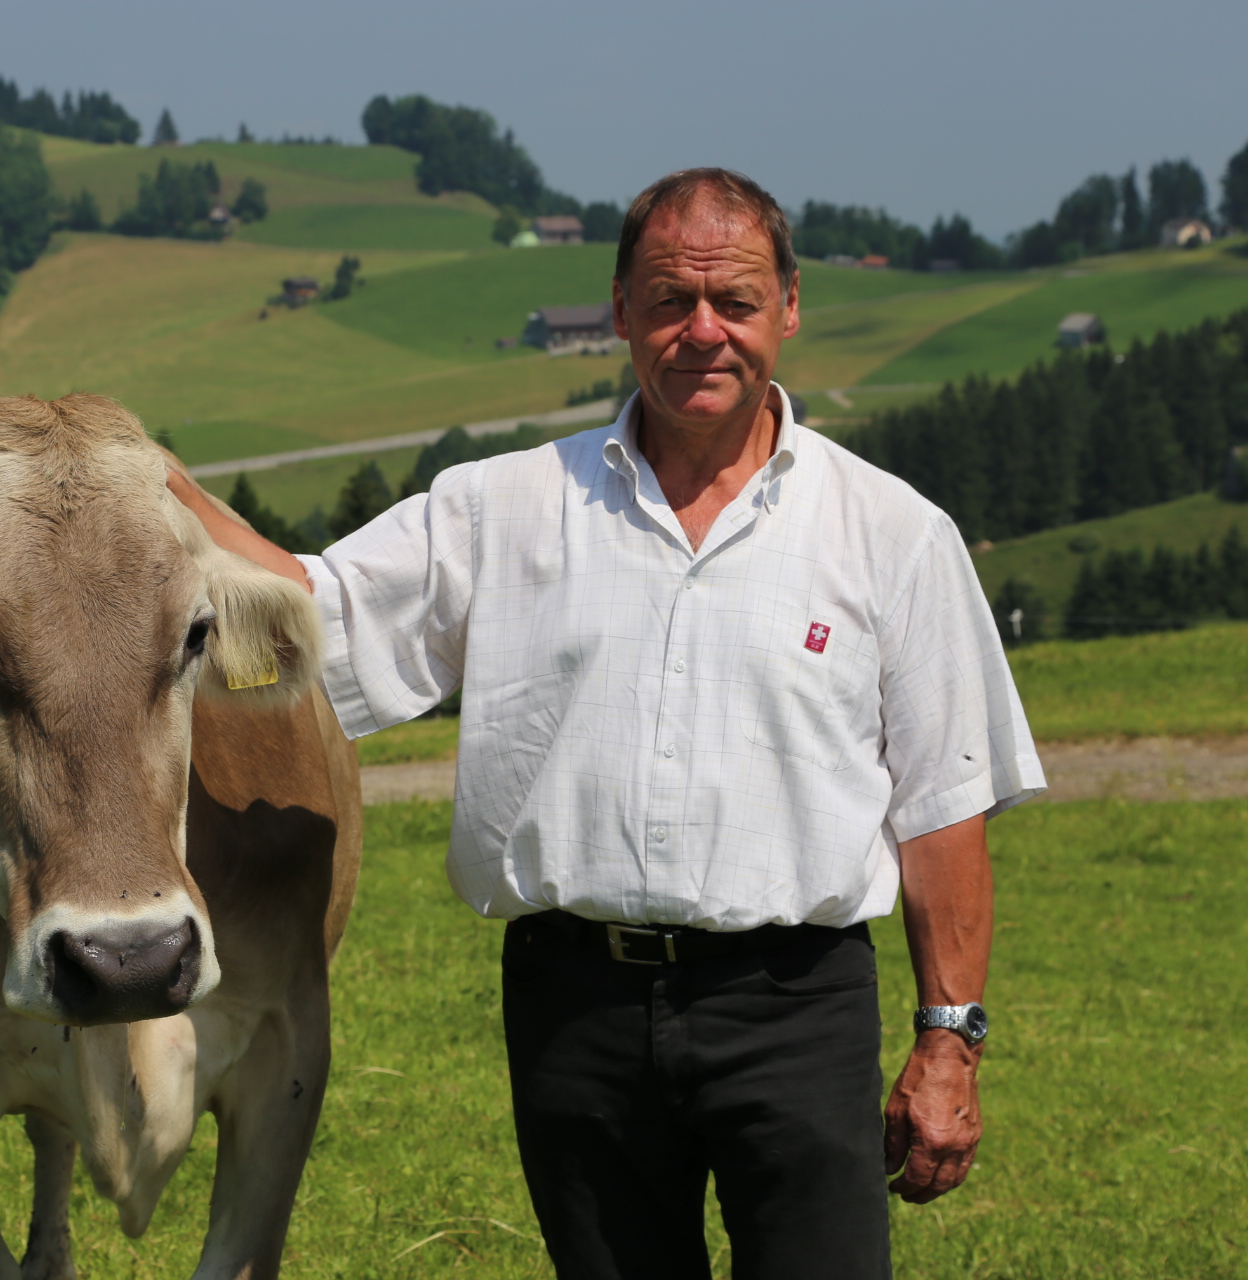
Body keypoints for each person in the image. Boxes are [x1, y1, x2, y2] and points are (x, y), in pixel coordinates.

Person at [166, 167, 1044, 1279]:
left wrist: (949, 1040)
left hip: (795, 1002)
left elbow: (943, 804)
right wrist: (147, 474)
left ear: (790, 307)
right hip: (574, 1003)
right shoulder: (503, 509)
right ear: (621, 309)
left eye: (735, 301)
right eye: (672, 300)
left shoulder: (893, 533)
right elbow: (308, 605)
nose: (704, 332)